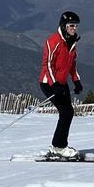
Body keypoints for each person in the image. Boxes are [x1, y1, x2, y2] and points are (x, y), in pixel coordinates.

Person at [39, 11, 83, 159]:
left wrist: (76, 80)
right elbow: (48, 65)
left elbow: (71, 65)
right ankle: (59, 147)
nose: (74, 28)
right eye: (71, 25)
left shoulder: (71, 42)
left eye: (76, 26)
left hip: (61, 83)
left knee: (68, 112)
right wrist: (54, 84)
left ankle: (58, 145)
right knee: (66, 112)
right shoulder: (53, 41)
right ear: (64, 25)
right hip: (49, 82)